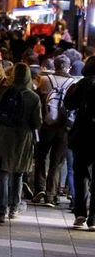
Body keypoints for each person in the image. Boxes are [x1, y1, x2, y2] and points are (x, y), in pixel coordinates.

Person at [0, 63, 42, 224]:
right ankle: (14, 208)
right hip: (22, 139)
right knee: (18, 173)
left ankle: (0, 212)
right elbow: (37, 123)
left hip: (0, 136)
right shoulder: (33, 97)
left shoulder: (3, 90)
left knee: (2, 174)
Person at [32, 55, 75, 207]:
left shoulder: (44, 81)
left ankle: (39, 189)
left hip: (46, 126)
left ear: (54, 66)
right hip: (64, 128)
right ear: (68, 67)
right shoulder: (73, 83)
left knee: (41, 157)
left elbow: (37, 100)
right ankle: (51, 195)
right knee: (57, 162)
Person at [64, 56, 95, 230]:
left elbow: (68, 104)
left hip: (82, 136)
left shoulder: (82, 84)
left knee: (80, 174)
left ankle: (80, 214)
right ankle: (94, 219)